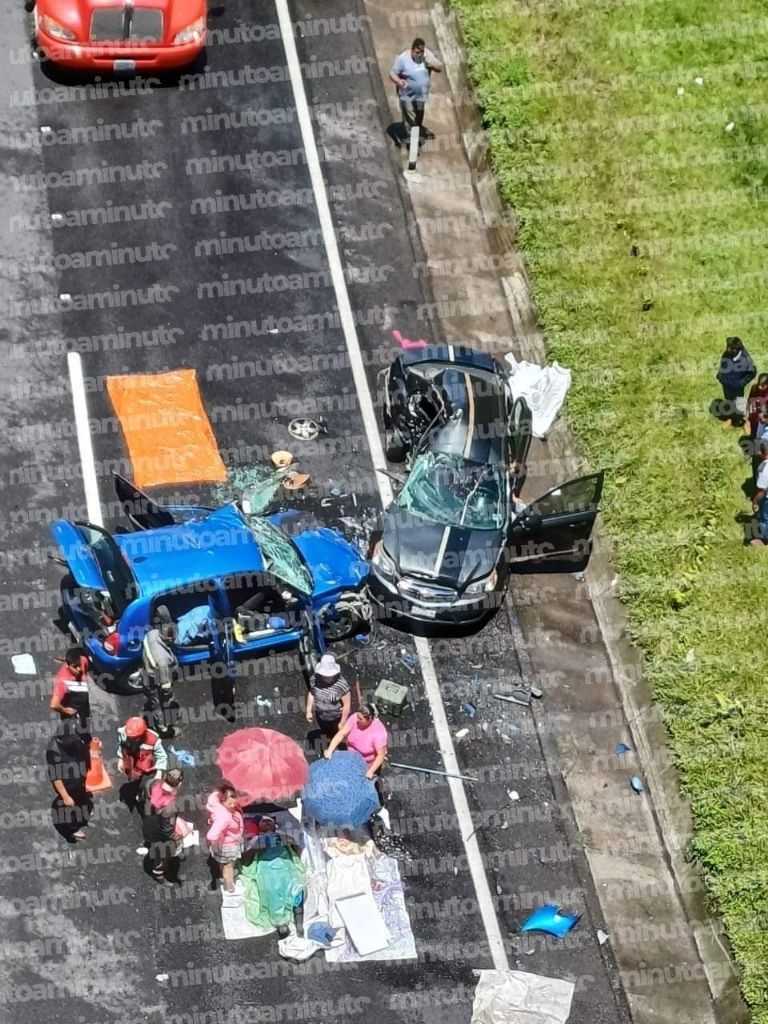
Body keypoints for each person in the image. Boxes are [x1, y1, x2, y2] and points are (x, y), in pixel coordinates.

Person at [325, 703, 389, 799]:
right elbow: (341, 734)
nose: (357, 720)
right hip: (351, 757)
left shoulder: (379, 733)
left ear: (370, 719)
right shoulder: (354, 718)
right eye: (357, 717)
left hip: (366, 763)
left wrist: (370, 771)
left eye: (360, 719)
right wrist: (330, 750)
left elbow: (380, 755)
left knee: (363, 784)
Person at [46, 719, 92, 842]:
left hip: (78, 778)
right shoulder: (54, 752)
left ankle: (81, 814)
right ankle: (71, 829)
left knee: (80, 797)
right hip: (67, 785)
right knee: (67, 807)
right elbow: (56, 778)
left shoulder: (74, 739)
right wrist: (65, 796)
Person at [390, 37, 443, 142]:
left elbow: (439, 67)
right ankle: (413, 146)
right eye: (417, 52)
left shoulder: (426, 55)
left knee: (419, 116)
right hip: (407, 95)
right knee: (411, 119)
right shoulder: (403, 59)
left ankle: (415, 131)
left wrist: (429, 64)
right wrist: (398, 81)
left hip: (420, 96)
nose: (419, 55)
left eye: (421, 53)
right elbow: (392, 74)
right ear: (412, 49)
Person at [142, 768, 185, 885]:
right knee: (161, 856)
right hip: (160, 835)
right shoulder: (170, 806)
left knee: (156, 849)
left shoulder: (152, 784)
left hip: (148, 824)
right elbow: (168, 830)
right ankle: (159, 875)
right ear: (179, 784)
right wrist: (177, 837)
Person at [141, 606, 179, 738]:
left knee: (152, 701)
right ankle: (163, 729)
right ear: (168, 639)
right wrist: (169, 700)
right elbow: (165, 686)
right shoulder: (163, 660)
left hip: (146, 674)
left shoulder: (152, 634)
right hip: (155, 683)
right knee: (159, 705)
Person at [117, 716, 168, 812]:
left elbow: (162, 756)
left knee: (145, 786)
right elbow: (121, 744)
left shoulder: (153, 739)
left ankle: (142, 797)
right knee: (133, 778)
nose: (131, 740)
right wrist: (120, 758)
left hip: (146, 768)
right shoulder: (123, 733)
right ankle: (136, 790)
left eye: (135, 738)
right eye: (130, 738)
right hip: (132, 764)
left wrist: (159, 772)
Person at [305, 653, 352, 747]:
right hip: (320, 716)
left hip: (335, 718)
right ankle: (328, 743)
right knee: (325, 732)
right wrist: (308, 710)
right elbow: (312, 693)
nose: (327, 678)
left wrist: (342, 722)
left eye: (329, 675)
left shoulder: (341, 685)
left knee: (338, 735)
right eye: (325, 676)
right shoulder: (314, 679)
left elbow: (347, 704)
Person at [206, 782, 245, 893]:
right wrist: (221, 835)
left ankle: (222, 876)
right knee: (229, 866)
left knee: (222, 863)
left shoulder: (218, 806)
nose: (233, 806)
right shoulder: (225, 817)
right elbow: (211, 835)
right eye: (230, 804)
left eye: (234, 802)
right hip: (228, 845)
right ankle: (229, 885)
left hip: (221, 845)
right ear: (223, 801)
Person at [716, 336, 756, 428]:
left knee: (739, 403)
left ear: (737, 349)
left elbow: (752, 372)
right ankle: (730, 418)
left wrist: (741, 383)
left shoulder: (745, 359)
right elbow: (723, 364)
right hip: (726, 385)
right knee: (729, 400)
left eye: (731, 348)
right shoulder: (727, 353)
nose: (728, 349)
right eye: (728, 347)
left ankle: (741, 421)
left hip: (738, 387)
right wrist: (720, 375)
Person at [50, 646, 91, 733]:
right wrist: (65, 710)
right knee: (71, 728)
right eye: (75, 667)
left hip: (82, 700)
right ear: (68, 666)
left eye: (79, 665)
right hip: (71, 707)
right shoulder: (62, 681)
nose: (79, 669)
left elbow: (85, 670)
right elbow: (54, 704)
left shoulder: (83, 660)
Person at [751, 442, 768, 546]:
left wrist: (755, 502)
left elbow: (761, 491)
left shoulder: (764, 468)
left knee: (764, 518)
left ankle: (764, 540)